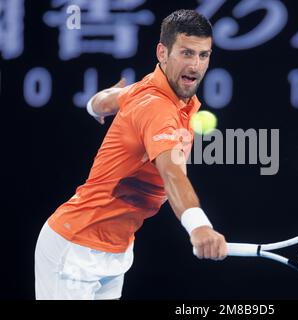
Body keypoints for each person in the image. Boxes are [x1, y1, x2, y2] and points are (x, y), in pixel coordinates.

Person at [34, 9, 228, 300]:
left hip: (117, 251)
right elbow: (172, 173)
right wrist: (199, 226)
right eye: (187, 53)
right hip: (75, 248)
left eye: (204, 55)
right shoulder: (157, 107)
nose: (196, 65)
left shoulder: (150, 90)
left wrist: (94, 105)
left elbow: (106, 101)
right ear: (162, 52)